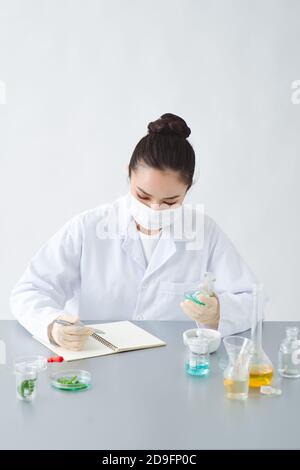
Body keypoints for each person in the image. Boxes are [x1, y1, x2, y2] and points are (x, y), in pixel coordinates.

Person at [10, 113, 258, 351]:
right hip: (98, 364)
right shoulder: (89, 227)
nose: (154, 208)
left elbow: (252, 300)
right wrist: (52, 326)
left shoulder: (203, 232)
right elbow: (30, 290)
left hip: (172, 366)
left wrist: (218, 312)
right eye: (143, 195)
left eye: (170, 201)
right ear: (129, 173)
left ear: (187, 190)